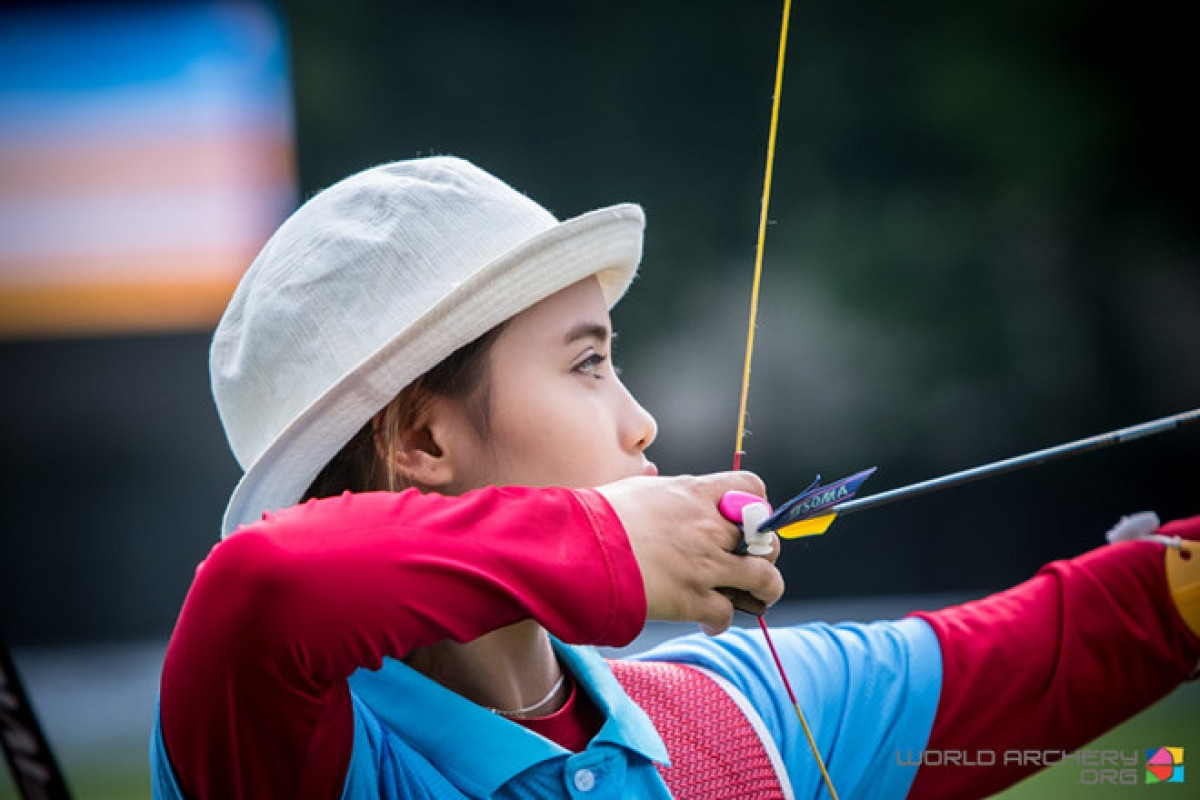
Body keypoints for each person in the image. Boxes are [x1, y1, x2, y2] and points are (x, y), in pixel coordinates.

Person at [152, 156, 1200, 800]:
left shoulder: (747, 716)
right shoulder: (299, 752)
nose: (641, 420)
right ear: (422, 440)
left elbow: (1087, 630)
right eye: (588, 362)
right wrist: (605, 547)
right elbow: (264, 589)